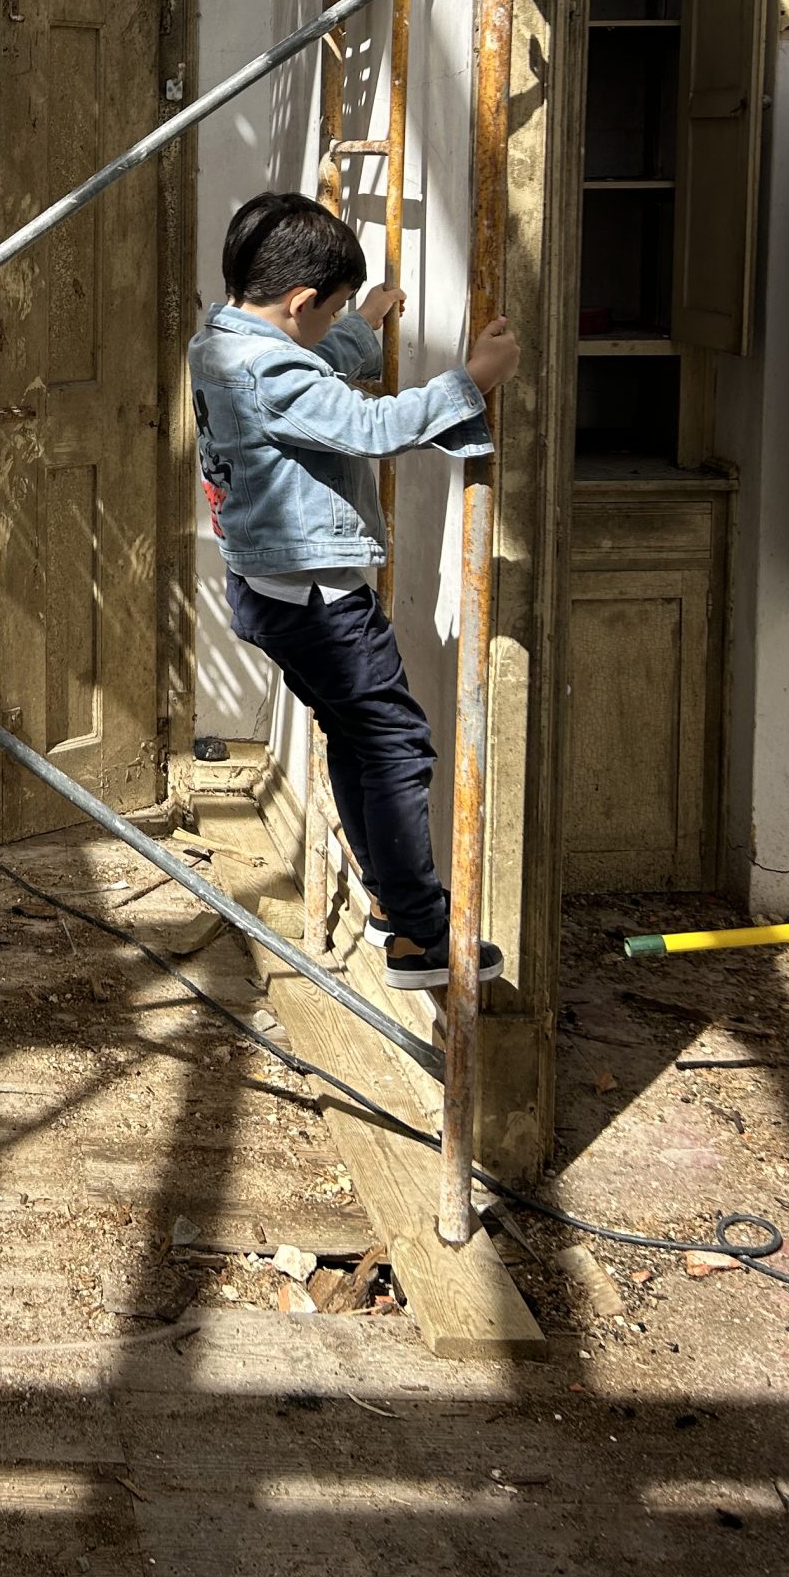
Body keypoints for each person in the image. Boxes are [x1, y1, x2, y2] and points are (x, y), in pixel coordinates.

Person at [187, 191, 522, 992]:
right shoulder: (272, 367)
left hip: (271, 591)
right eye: (333, 307)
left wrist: (360, 323)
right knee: (398, 746)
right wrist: (474, 381)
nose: (336, 318)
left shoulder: (222, 338)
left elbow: (306, 363)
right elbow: (369, 425)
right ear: (300, 301)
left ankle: (389, 901)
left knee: (356, 736)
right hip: (319, 601)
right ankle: (419, 936)